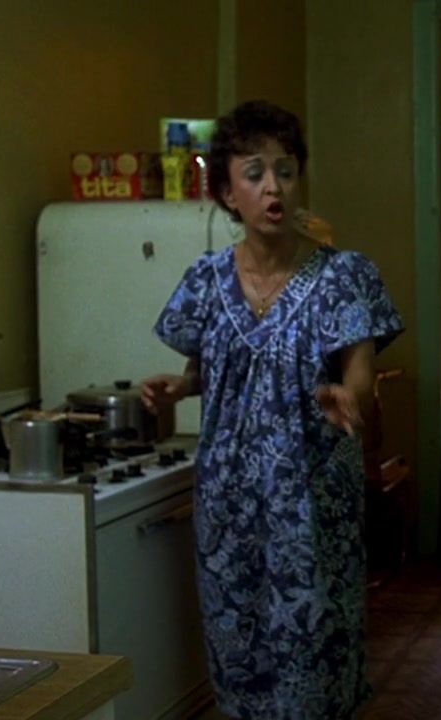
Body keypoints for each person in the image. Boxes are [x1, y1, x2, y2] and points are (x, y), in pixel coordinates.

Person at [141, 99, 404, 719]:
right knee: (239, 658)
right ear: (227, 193)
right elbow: (209, 368)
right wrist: (181, 388)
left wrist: (350, 396)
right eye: (255, 173)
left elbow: (361, 374)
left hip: (312, 508)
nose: (273, 188)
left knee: (315, 660)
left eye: (285, 171)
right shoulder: (206, 280)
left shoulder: (344, 276)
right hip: (227, 510)